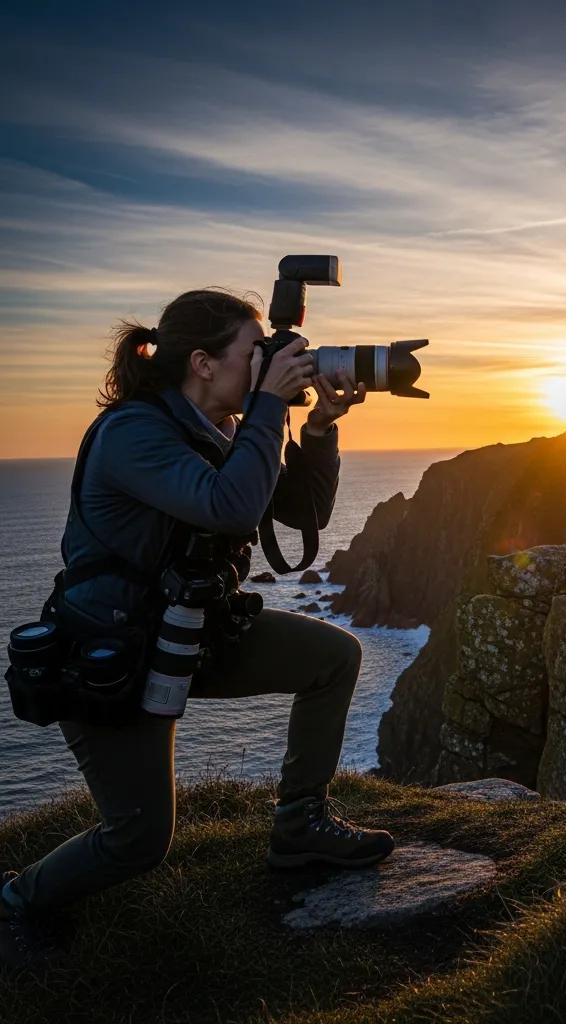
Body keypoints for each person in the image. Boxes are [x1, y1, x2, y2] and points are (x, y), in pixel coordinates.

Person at [1, 289, 395, 972]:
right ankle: (16, 901)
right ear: (204, 363)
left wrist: (322, 426)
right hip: (113, 657)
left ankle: (299, 824)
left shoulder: (224, 430)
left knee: (332, 657)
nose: (271, 366)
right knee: (138, 841)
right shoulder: (134, 434)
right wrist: (270, 407)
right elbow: (230, 506)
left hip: (192, 636)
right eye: (256, 354)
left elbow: (298, 512)